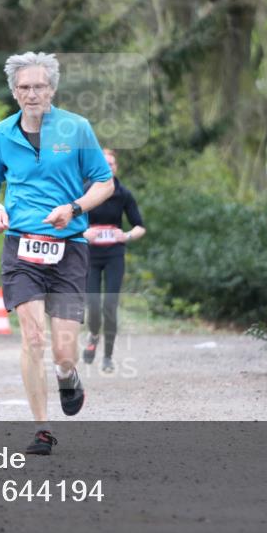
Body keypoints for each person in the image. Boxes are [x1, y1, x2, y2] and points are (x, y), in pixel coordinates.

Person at [0, 52, 114, 456]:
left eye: (39, 86)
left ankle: (68, 375)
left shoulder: (77, 128)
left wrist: (73, 208)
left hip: (69, 248)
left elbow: (104, 184)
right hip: (20, 246)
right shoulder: (0, 134)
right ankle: (42, 429)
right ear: (14, 92)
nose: (32, 93)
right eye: (24, 87)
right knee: (33, 337)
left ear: (52, 88)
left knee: (63, 349)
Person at [81, 149, 146, 372]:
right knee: (92, 305)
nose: (109, 167)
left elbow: (140, 226)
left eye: (112, 164)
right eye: (105, 163)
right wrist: (82, 234)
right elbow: (70, 220)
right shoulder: (86, 190)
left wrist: (126, 235)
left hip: (114, 255)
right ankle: (93, 335)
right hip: (90, 255)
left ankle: (107, 356)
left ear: (116, 168)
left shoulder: (123, 194)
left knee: (110, 305)